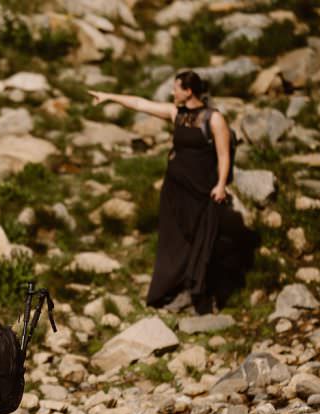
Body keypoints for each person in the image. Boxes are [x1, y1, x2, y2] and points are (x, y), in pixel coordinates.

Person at [89, 71, 257, 313]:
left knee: (201, 241)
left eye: (176, 88)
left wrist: (221, 184)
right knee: (174, 241)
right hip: (175, 190)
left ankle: (201, 295)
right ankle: (175, 291)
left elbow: (223, 154)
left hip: (202, 192)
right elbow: (140, 103)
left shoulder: (214, 119)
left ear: (188, 91)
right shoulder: (176, 113)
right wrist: (108, 96)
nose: (171, 92)